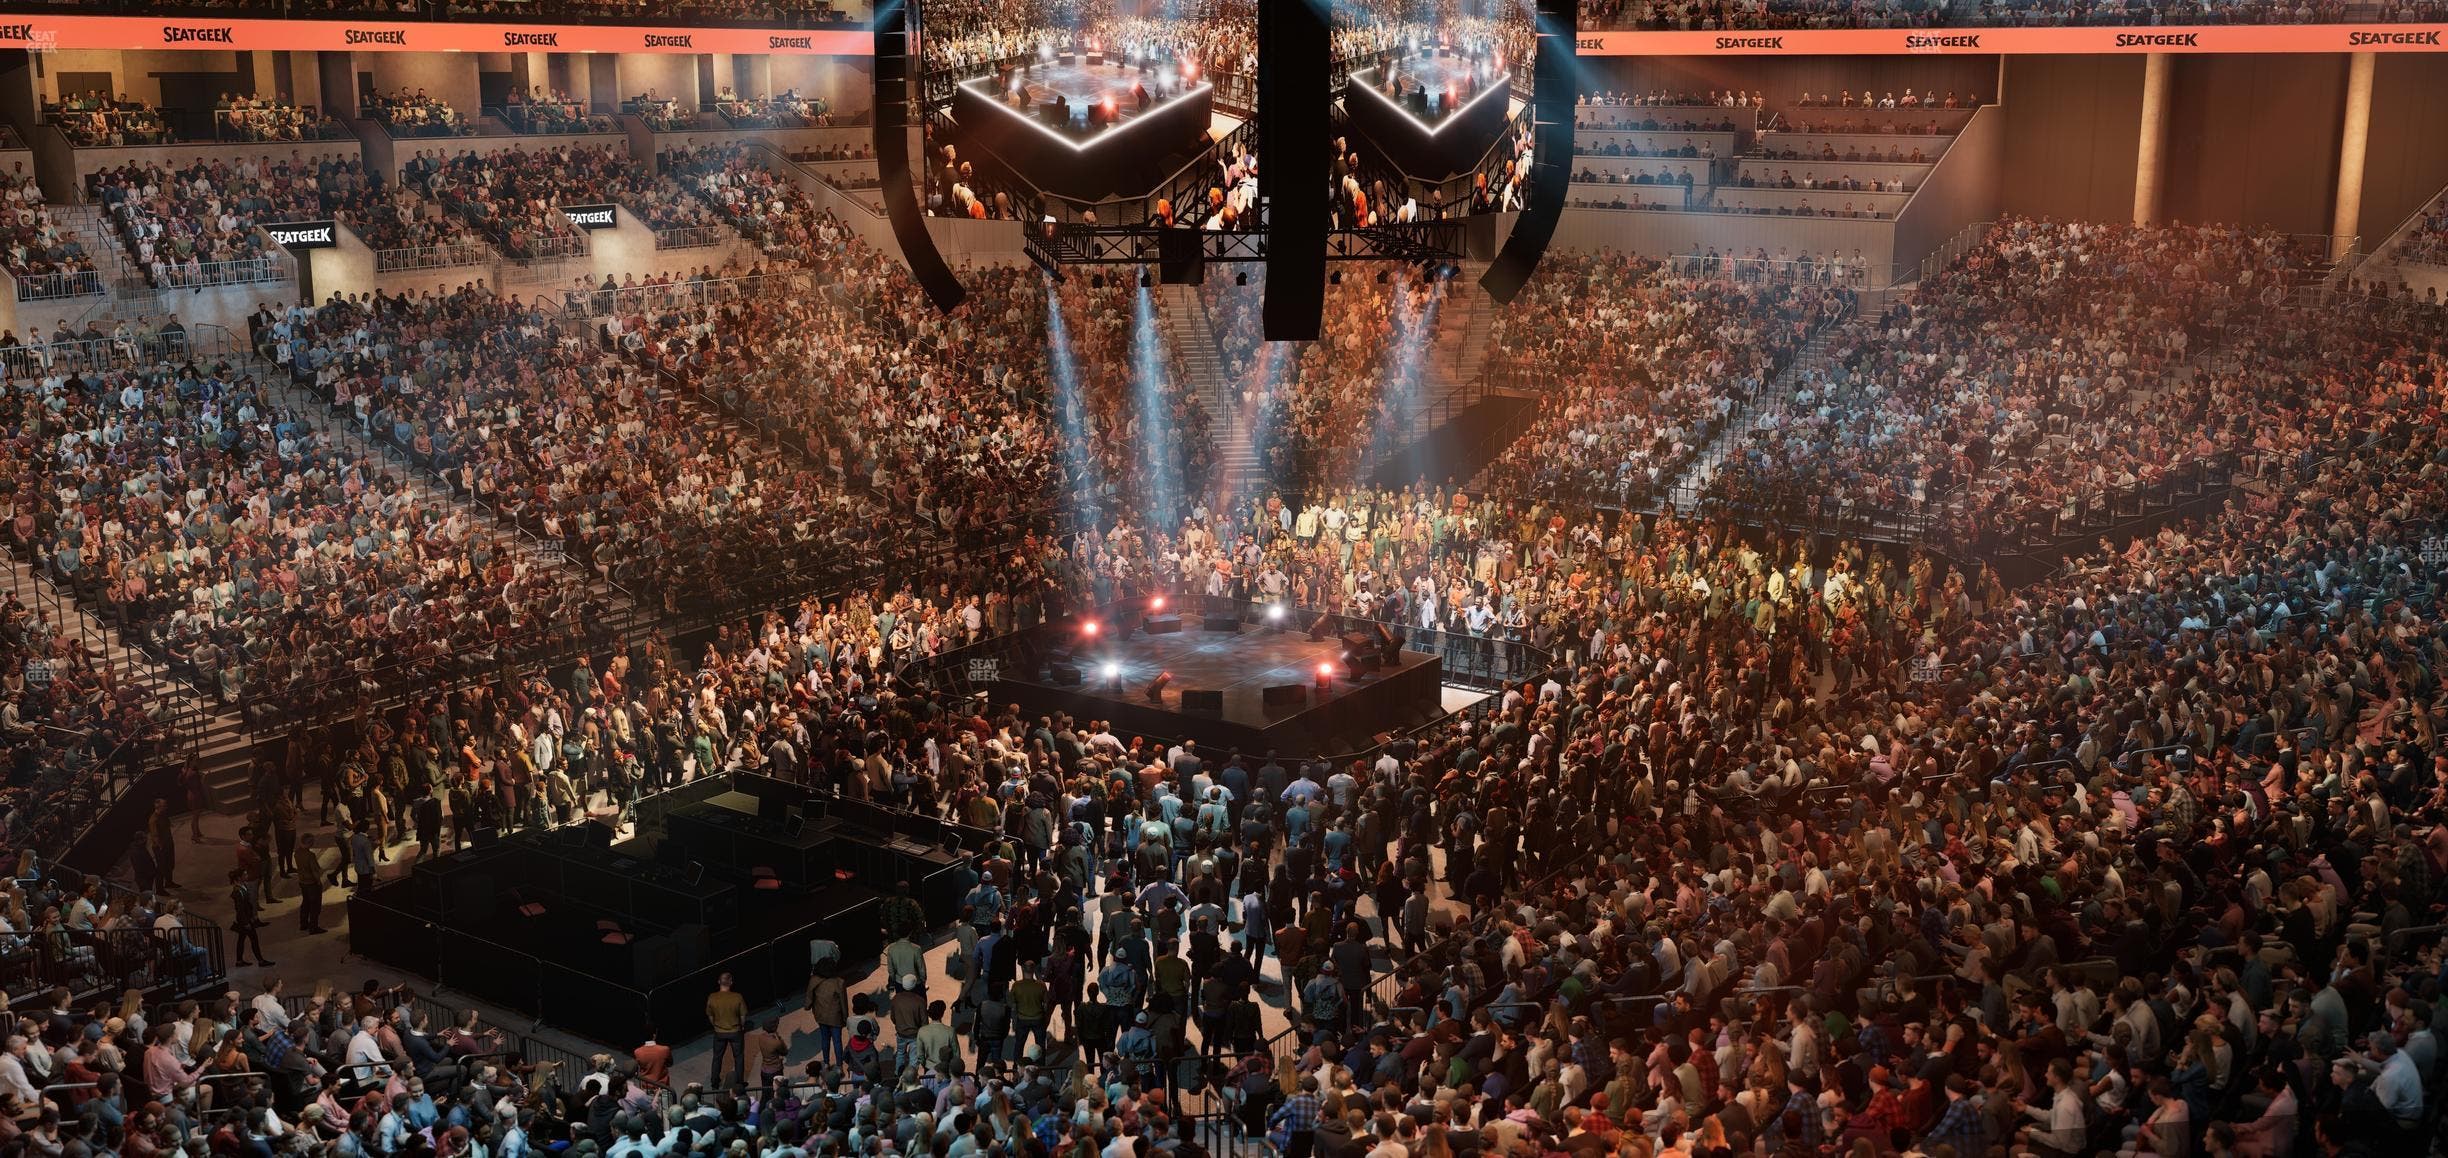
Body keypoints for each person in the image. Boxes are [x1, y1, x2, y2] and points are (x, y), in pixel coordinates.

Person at [706, 972, 746, 1087]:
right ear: (731, 983)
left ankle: (714, 1082)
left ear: (719, 982)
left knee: (717, 1057)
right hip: (735, 1031)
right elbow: (743, 1016)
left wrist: (715, 1025)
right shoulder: (737, 997)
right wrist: (742, 1026)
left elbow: (710, 1015)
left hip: (719, 1032)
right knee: (738, 1057)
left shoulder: (712, 997)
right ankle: (739, 1083)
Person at [227, 868, 271, 967]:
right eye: (245, 874)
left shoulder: (242, 887)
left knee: (241, 939)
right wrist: (246, 922)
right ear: (239, 878)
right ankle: (260, 960)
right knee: (254, 940)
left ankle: (239, 961)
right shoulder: (238, 891)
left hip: (244, 919)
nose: (247, 876)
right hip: (245, 921)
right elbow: (240, 909)